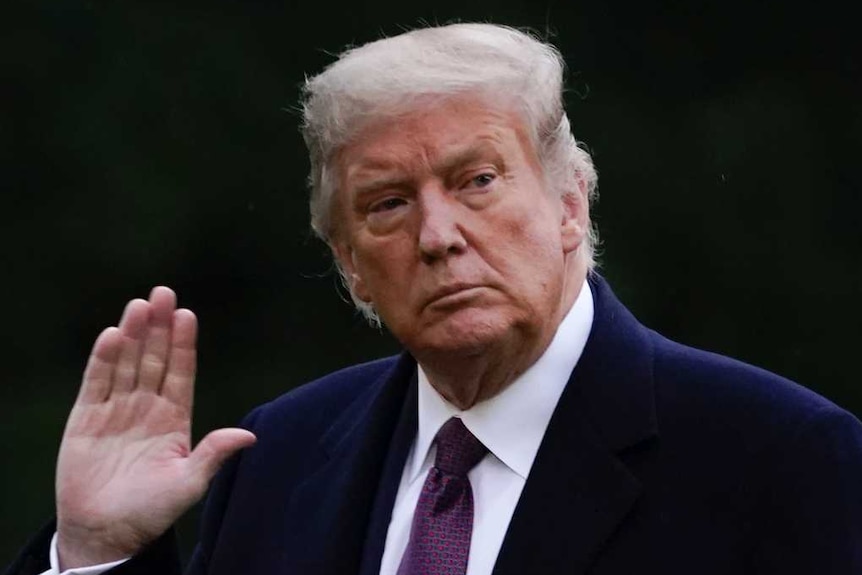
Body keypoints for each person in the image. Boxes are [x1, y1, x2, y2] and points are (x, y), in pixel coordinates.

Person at [6, 23, 862, 575]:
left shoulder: (779, 457)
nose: (438, 234)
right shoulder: (274, 460)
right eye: (388, 204)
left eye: (477, 180)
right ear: (348, 264)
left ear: (571, 203)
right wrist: (95, 554)